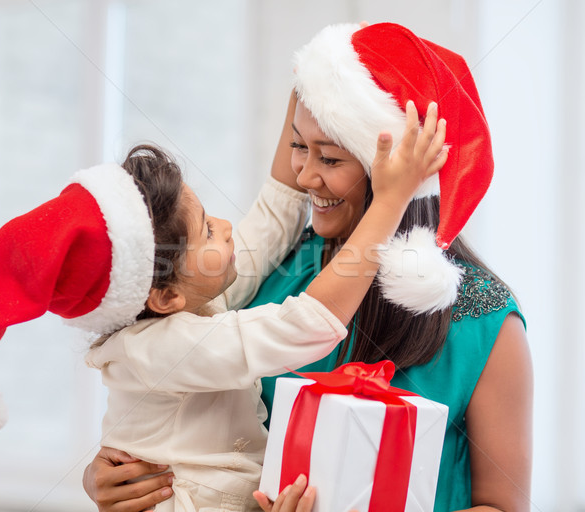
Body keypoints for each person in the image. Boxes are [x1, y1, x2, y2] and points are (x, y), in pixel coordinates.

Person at [83, 22, 532, 512]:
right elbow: (184, 423)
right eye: (299, 146)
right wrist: (113, 472)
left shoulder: (485, 320)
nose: (303, 174)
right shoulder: (269, 271)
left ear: (398, 179)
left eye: (330, 158)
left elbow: (504, 505)